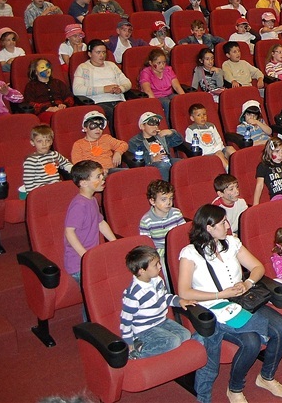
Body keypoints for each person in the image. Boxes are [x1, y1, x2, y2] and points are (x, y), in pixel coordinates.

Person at [177, 204, 282, 403]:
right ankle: (235, 389)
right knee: (252, 342)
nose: (228, 225)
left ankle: (266, 377)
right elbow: (184, 291)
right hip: (215, 308)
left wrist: (247, 283)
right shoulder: (190, 253)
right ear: (209, 228)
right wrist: (221, 294)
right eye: (222, 223)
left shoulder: (232, 242)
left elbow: (257, 267)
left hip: (242, 301)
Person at [120, 244, 194, 359]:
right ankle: (138, 351)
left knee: (186, 334)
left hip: (161, 321)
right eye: (156, 265)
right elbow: (126, 319)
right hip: (144, 329)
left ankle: (159, 345)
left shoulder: (157, 280)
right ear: (142, 271)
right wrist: (128, 342)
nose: (160, 266)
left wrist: (179, 301)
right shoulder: (134, 294)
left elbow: (165, 297)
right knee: (173, 341)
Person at [64, 160, 117, 291]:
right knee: (93, 297)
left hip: (93, 257)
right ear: (83, 183)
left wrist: (115, 243)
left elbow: (100, 222)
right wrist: (85, 256)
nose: (103, 178)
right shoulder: (79, 205)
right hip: (79, 263)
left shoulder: (92, 200)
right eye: (98, 176)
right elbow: (69, 232)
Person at [72, 40, 131, 123]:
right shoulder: (83, 68)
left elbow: (127, 82)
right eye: (98, 52)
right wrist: (104, 89)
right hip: (98, 102)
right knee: (114, 115)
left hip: (118, 100)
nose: (102, 55)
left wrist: (121, 89)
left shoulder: (112, 65)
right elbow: (77, 90)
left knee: (131, 111)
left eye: (104, 52)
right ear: (90, 54)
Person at [138, 180, 186, 260]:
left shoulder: (176, 213)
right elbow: (146, 245)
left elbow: (183, 233)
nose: (169, 203)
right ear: (152, 201)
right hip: (158, 253)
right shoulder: (146, 221)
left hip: (177, 248)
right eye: (164, 199)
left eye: (171, 198)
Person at [22, 125, 72, 194]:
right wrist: (33, 195)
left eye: (47, 141)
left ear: (51, 142)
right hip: (41, 192)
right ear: (32, 142)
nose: (44, 144)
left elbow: (66, 163)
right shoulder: (31, 160)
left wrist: (72, 169)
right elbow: (28, 183)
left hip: (56, 188)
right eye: (39, 141)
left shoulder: (55, 155)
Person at [186, 103, 235, 171]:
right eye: (199, 115)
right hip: (206, 154)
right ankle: (230, 171)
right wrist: (216, 152)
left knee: (230, 148)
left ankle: (240, 166)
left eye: (204, 114)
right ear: (192, 118)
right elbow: (190, 146)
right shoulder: (191, 129)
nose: (202, 117)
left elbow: (218, 139)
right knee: (219, 155)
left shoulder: (211, 126)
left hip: (218, 150)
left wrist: (219, 149)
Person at [22, 57, 74, 122]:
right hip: (44, 113)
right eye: (42, 67)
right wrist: (47, 108)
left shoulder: (58, 82)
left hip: (62, 110)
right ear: (35, 72)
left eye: (48, 66)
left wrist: (64, 105)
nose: (46, 69)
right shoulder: (31, 86)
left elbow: (69, 96)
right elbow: (29, 103)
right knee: (57, 119)